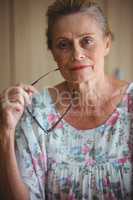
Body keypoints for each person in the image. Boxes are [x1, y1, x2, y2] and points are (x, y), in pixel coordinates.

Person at [0, 0, 133, 199]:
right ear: (53, 53)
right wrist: (5, 131)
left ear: (107, 43)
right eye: (64, 45)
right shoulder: (35, 111)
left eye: (87, 40)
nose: (77, 54)